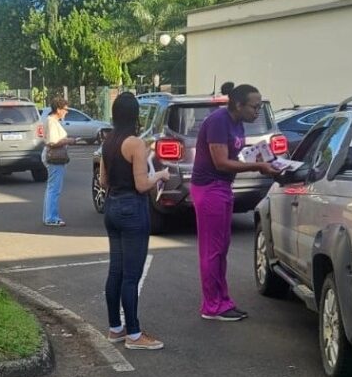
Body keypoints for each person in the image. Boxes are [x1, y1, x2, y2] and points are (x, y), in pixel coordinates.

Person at [191, 83, 278, 322]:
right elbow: (221, 162)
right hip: (210, 189)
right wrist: (258, 165)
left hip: (223, 187)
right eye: (254, 106)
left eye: (260, 106)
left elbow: (234, 154)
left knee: (222, 249)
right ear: (238, 104)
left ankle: (223, 301)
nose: (257, 111)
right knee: (212, 250)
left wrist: (261, 156)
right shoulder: (219, 121)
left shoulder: (237, 122)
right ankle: (211, 305)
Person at [99, 92, 170, 350]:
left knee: (116, 271)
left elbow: (104, 181)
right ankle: (135, 334)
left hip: (112, 207)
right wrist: (160, 174)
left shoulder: (108, 141)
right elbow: (142, 185)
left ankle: (115, 329)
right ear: (135, 115)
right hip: (132, 209)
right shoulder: (135, 143)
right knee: (132, 275)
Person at [41, 95, 74, 227]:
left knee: (51, 188)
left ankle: (48, 216)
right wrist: (69, 140)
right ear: (58, 109)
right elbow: (53, 142)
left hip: (53, 156)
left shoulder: (51, 121)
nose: (66, 112)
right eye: (65, 109)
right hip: (54, 157)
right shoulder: (51, 121)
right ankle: (51, 217)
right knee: (54, 189)